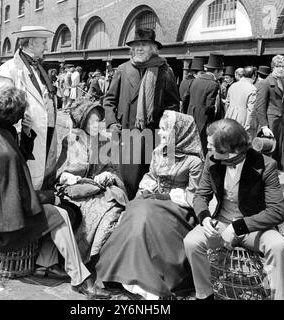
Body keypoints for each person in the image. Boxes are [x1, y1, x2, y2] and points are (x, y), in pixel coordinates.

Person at [0, 87, 111, 300]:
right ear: (15, 117)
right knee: (61, 214)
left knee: (56, 210)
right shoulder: (4, 152)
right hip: (3, 233)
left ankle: (47, 265)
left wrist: (26, 134)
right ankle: (81, 279)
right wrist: (52, 196)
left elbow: (14, 165)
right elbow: (23, 200)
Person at [96, 111, 204, 300]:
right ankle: (123, 275)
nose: (160, 134)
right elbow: (151, 177)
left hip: (178, 209)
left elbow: (194, 195)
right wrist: (143, 193)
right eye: (161, 129)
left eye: (165, 130)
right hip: (152, 201)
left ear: (180, 133)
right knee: (135, 213)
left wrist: (164, 196)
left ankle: (146, 284)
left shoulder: (194, 161)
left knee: (146, 219)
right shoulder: (159, 152)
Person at [184, 119, 284, 300]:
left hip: (256, 229)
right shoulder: (211, 160)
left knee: (277, 246)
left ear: (227, 148)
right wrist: (205, 218)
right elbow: (201, 196)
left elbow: (277, 211)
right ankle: (205, 295)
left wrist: (238, 227)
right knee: (192, 242)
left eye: (210, 145)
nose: (207, 148)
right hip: (220, 225)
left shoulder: (266, 165)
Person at [103, 28, 180, 199]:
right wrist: (111, 122)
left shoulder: (164, 70)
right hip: (126, 132)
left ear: (153, 48)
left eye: (144, 45)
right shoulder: (122, 69)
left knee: (148, 178)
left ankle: (140, 208)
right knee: (125, 176)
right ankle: (125, 208)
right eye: (136, 45)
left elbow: (174, 104)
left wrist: (166, 128)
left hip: (153, 134)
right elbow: (109, 100)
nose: (139, 48)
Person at [56, 97, 128, 266]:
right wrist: (67, 177)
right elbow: (58, 170)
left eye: (98, 121)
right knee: (82, 214)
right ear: (82, 122)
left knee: (114, 209)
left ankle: (101, 261)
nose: (97, 125)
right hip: (76, 192)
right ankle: (81, 259)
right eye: (92, 122)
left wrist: (107, 175)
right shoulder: (70, 140)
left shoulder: (105, 142)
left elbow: (112, 168)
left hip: (100, 190)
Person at [0, 26, 58, 190]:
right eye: (43, 43)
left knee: (38, 179)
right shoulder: (9, 70)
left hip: (42, 135)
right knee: (22, 184)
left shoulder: (37, 69)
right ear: (33, 43)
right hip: (23, 141)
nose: (46, 47)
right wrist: (22, 129)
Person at [256, 54, 284, 171]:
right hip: (271, 122)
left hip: (282, 121)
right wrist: (264, 126)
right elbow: (260, 107)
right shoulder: (265, 83)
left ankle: (273, 179)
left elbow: (282, 100)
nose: (282, 69)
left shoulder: (282, 80)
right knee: (269, 152)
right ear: (273, 67)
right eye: (279, 66)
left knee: (279, 152)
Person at [187, 53, 225, 156]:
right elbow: (210, 106)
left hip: (192, 115)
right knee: (203, 146)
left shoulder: (195, 80)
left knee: (191, 143)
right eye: (221, 71)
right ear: (216, 71)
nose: (222, 73)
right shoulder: (213, 84)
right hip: (204, 119)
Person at [225, 66, 258, 139]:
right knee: (244, 144)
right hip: (244, 119)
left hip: (230, 117)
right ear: (253, 76)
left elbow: (227, 103)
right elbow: (251, 110)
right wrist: (249, 125)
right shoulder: (252, 89)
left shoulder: (233, 86)